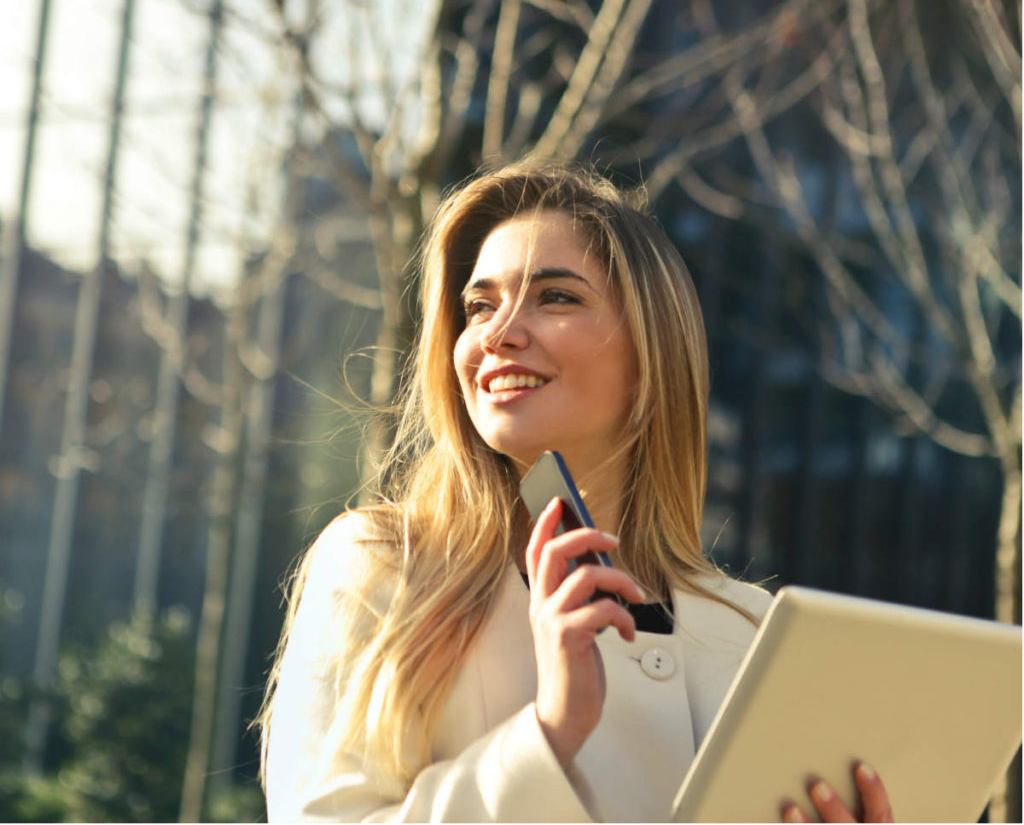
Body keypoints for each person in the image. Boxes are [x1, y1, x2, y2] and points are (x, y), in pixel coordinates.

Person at [257, 161, 894, 822]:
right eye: (479, 306)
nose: (498, 333)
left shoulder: (751, 629)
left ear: (653, 351)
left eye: (555, 297)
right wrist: (549, 733)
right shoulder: (383, 565)